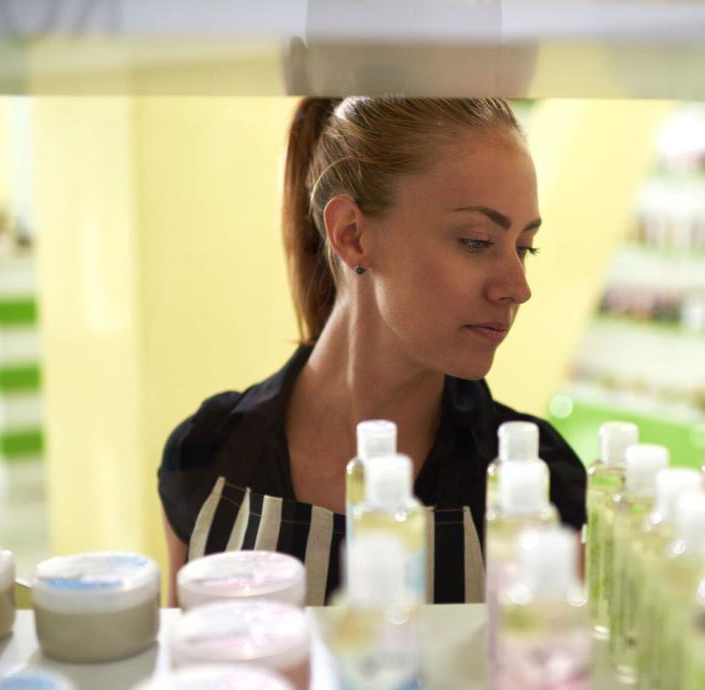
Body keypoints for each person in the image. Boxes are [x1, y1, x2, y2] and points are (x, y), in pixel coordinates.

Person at [158, 97, 586, 605]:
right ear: (353, 235)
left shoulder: (540, 483)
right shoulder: (207, 456)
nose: (517, 286)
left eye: (523, 247)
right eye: (476, 241)